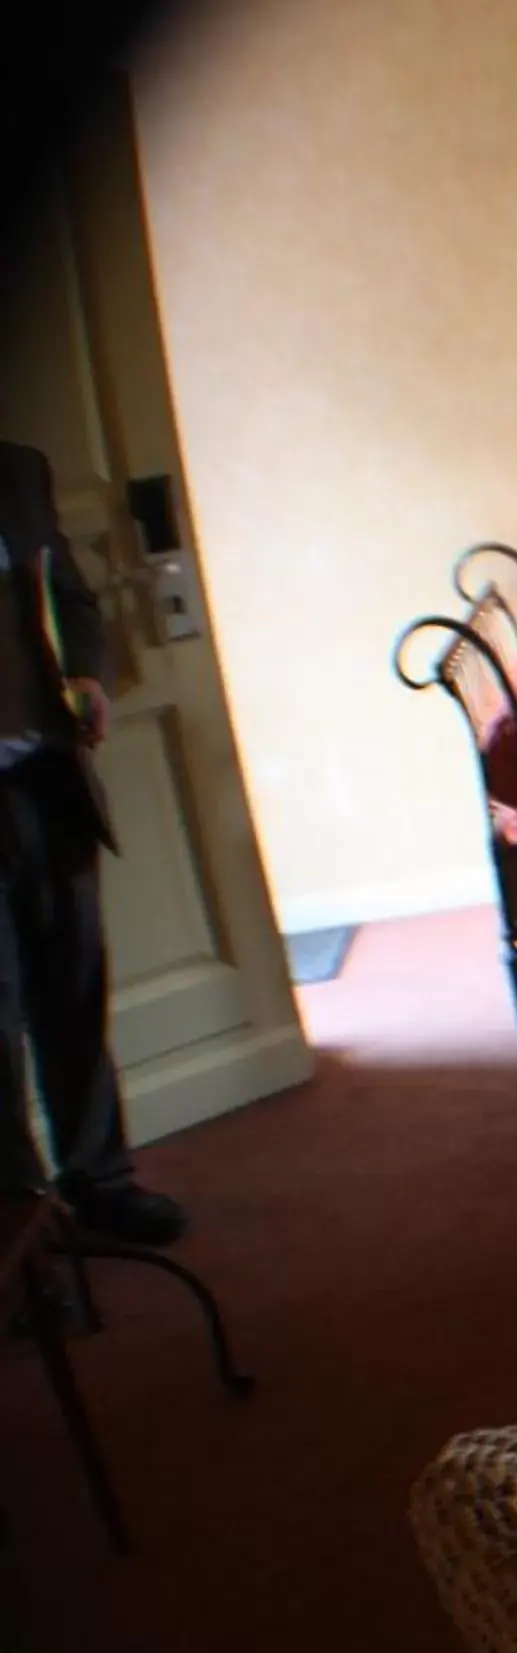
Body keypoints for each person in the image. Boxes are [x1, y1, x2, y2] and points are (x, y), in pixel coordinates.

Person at [0, 439, 185, 1248]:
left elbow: (71, 597)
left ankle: (100, 1182)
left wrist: (86, 672)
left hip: (46, 776)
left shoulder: (16, 468)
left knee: (74, 990)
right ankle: (24, 1234)